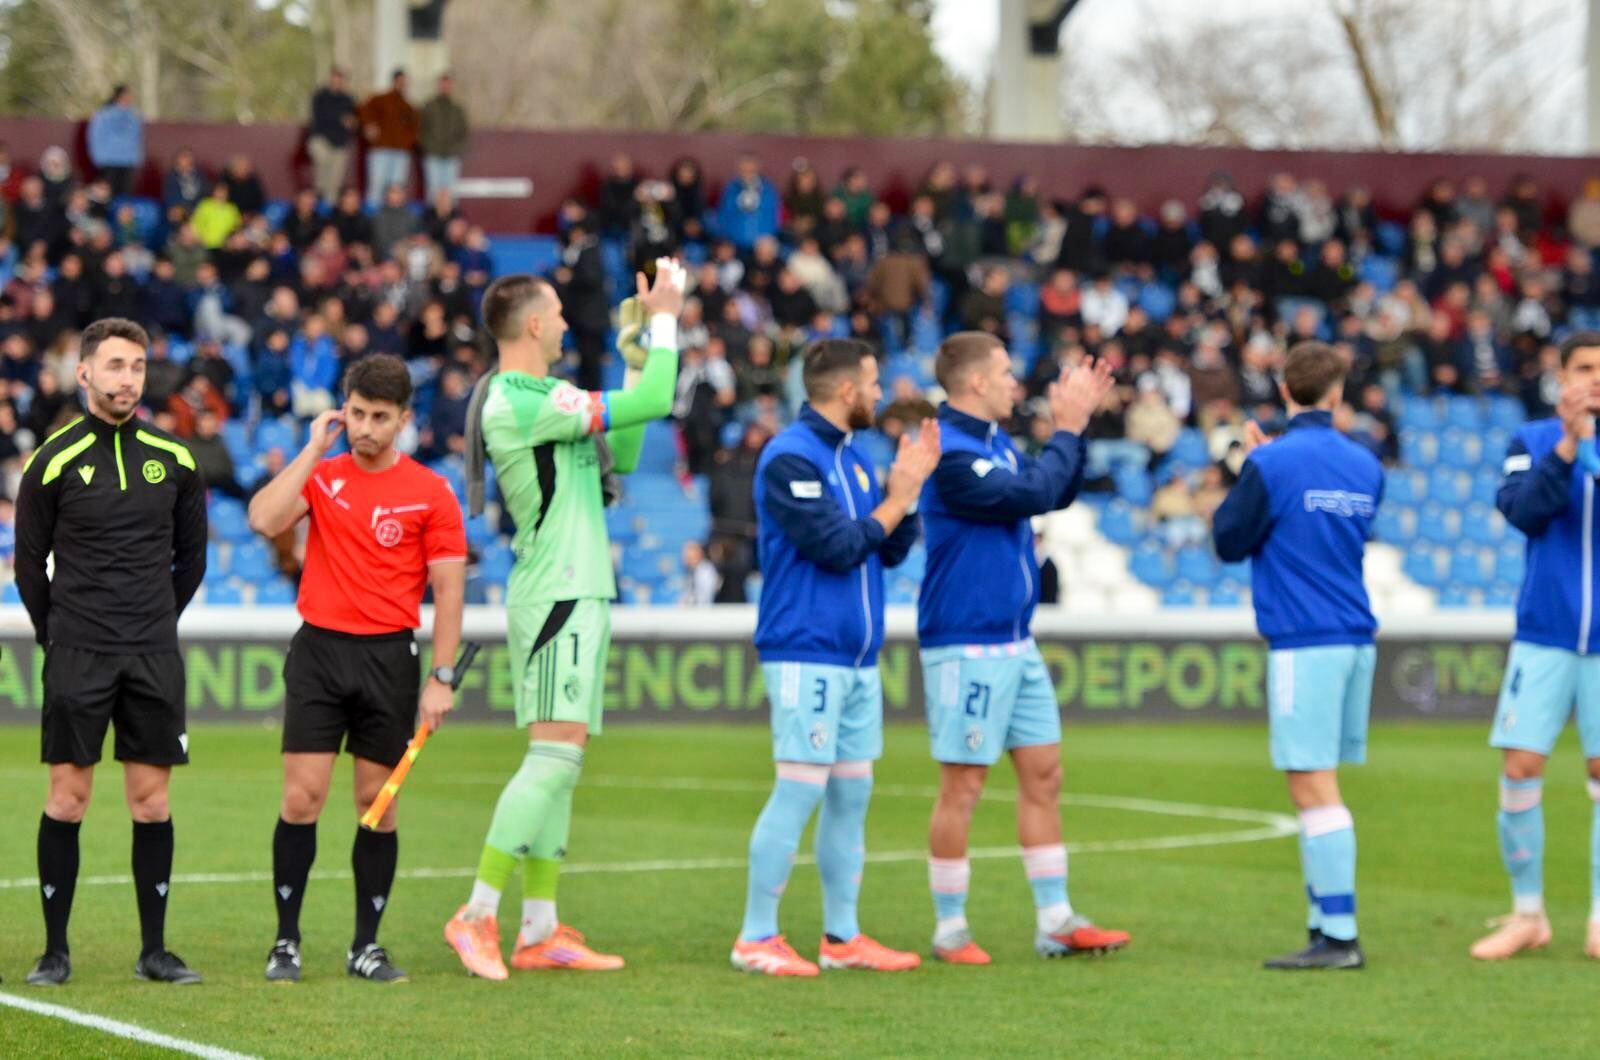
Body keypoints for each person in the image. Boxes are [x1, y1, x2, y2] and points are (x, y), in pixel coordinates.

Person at [444, 263, 685, 979]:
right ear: (535, 325)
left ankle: (541, 928)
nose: (569, 324)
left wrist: (637, 352)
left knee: (561, 768)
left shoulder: (548, 399)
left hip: (575, 591)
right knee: (553, 759)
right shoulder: (518, 399)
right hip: (557, 594)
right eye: (559, 312)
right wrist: (666, 319)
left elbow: (635, 435)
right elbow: (663, 399)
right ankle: (477, 912)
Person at [245, 353, 467, 983]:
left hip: (390, 658)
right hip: (319, 651)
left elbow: (449, 592)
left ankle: (365, 945)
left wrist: (441, 678)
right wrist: (312, 450)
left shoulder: (431, 492)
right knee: (301, 797)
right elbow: (263, 519)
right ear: (344, 410)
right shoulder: (324, 474)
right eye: (358, 414)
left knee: (379, 805)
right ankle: (286, 941)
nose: (367, 428)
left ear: (403, 418)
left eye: (380, 417)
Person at [916, 332, 1128, 965]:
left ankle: (1056, 919)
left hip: (1014, 640)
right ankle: (949, 927)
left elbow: (1053, 490)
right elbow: (1032, 495)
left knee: (1045, 775)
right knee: (964, 786)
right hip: (967, 643)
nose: (1016, 383)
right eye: (1006, 372)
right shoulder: (950, 454)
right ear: (976, 383)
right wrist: (1066, 425)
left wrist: (1074, 431)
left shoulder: (991, 442)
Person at [731, 338, 940, 977]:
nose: (881, 394)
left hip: (855, 657)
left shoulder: (853, 461)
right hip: (807, 648)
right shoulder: (790, 457)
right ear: (846, 390)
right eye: (874, 383)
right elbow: (837, 546)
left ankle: (841, 937)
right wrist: (897, 498)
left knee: (852, 795)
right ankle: (755, 937)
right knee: (798, 791)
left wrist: (909, 491)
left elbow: (887, 546)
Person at [15, 317, 208, 986]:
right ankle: (54, 951)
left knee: (151, 802)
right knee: (67, 799)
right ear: (85, 372)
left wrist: (152, 622)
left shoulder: (177, 460)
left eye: (137, 367)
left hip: (152, 653)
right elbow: (28, 564)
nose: (128, 378)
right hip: (79, 652)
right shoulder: (53, 459)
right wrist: (60, 634)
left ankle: (155, 951)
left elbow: (192, 562)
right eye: (116, 365)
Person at [1212, 340, 1384, 971]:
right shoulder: (1367, 464)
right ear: (1338, 393)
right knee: (1318, 781)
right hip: (1354, 634)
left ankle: (1338, 935)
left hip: (1304, 639)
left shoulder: (1273, 463)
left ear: (1285, 391)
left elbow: (1230, 539)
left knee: (1313, 786)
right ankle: (1323, 923)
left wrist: (1255, 470)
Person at [1471, 331, 1600, 961]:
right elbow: (1524, 513)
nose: (1595, 378)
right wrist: (1571, 445)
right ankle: (1528, 915)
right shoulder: (1531, 440)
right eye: (1584, 368)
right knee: (1521, 769)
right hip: (1544, 634)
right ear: (1560, 376)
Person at [359, 69, 419, 207]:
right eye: (400, 81)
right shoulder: (381, 99)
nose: (402, 84)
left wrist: (408, 142)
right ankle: (372, 219)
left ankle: (392, 219)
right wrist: (369, 125)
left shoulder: (408, 106)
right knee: (377, 185)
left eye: (404, 82)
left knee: (397, 188)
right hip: (381, 150)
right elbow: (363, 110)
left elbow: (415, 127)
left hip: (400, 152)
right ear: (394, 81)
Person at [308, 67, 358, 205]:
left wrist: (351, 122)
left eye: (340, 79)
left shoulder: (348, 98)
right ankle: (318, 195)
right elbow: (320, 116)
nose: (337, 82)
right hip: (321, 139)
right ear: (330, 79)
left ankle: (329, 207)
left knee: (336, 180)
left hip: (340, 142)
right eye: (335, 79)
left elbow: (353, 119)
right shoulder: (320, 96)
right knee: (323, 162)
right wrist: (340, 119)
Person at [418, 73, 470, 203]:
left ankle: (452, 220)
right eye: (443, 84)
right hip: (433, 154)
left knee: (451, 191)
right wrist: (429, 147)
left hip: (451, 155)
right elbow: (420, 129)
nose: (445, 87)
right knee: (433, 190)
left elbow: (464, 132)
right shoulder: (429, 106)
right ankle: (432, 220)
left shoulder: (457, 108)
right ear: (438, 86)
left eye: (448, 85)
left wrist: (456, 149)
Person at [87, 85, 142, 197]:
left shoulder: (134, 116)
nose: (129, 98)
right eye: (126, 95)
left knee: (125, 196)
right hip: (108, 161)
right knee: (106, 195)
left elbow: (138, 138)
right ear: (118, 96)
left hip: (128, 161)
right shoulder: (103, 114)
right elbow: (95, 136)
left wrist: (137, 157)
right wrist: (98, 158)